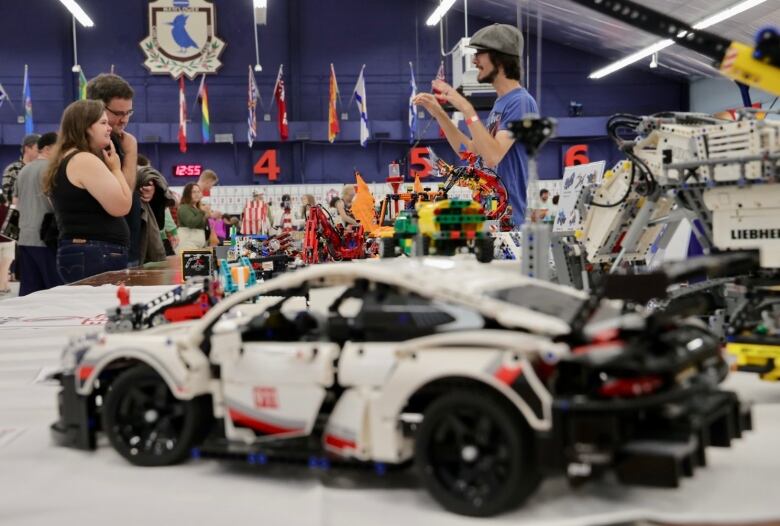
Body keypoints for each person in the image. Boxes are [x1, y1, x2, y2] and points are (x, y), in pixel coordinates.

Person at [414, 23, 538, 226]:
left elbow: (492, 157)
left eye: (480, 53)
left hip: (508, 224)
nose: (474, 60)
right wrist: (439, 113)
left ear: (499, 59)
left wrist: (465, 108)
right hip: (489, 219)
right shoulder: (501, 104)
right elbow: (470, 151)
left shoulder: (521, 103)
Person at [43, 100, 133, 283]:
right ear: (85, 127)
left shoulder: (64, 160)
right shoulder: (84, 160)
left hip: (83, 251)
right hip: (95, 253)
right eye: (103, 123)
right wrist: (116, 168)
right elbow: (122, 206)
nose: (109, 128)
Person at [86, 73, 140, 266]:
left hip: (122, 245)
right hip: (103, 250)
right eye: (118, 113)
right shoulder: (91, 148)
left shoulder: (118, 140)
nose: (124, 120)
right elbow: (123, 196)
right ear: (97, 108)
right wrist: (132, 151)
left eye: (128, 112)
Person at [12, 132, 63, 295]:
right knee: (54, 291)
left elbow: (15, 202)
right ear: (47, 149)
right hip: (46, 238)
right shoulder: (51, 169)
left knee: (30, 293)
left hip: (25, 238)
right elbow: (55, 202)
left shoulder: (23, 170)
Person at [136, 155, 175, 264]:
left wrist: (172, 231)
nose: (146, 179)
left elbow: (164, 214)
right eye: (142, 173)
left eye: (148, 172)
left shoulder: (157, 193)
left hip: (155, 238)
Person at [2, 134, 40, 203]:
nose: (40, 152)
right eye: (38, 149)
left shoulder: (42, 168)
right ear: (27, 148)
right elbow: (7, 195)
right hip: (20, 212)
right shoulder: (12, 169)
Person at [176, 183, 208, 253]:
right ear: (187, 194)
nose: (196, 194)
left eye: (198, 192)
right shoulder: (184, 207)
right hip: (186, 244)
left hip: (196, 246)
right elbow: (191, 223)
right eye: (193, 192)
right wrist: (202, 212)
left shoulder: (197, 208)